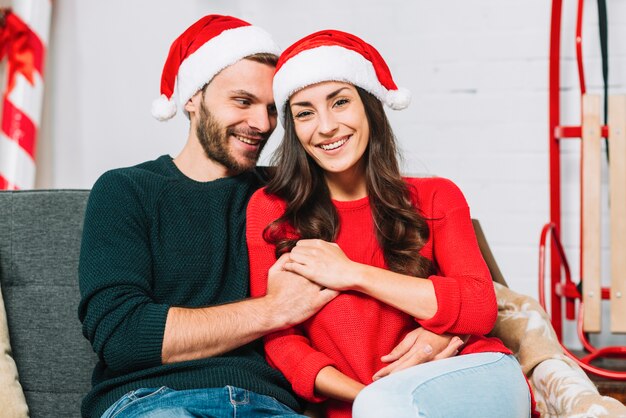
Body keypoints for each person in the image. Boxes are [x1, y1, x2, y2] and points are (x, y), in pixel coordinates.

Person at [77, 14, 460, 418]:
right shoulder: (126, 190)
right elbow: (121, 335)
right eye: (242, 101)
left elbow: (418, 257)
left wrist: (441, 331)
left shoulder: (291, 194)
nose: (262, 124)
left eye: (272, 109)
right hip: (153, 399)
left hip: (269, 404)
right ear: (192, 97)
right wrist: (273, 309)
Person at [246, 30, 536, 417]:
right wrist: (368, 396)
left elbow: (480, 307)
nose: (327, 126)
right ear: (294, 129)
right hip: (365, 404)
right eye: (305, 112)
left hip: (468, 373)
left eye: (341, 102)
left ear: (369, 107)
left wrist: (351, 273)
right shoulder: (272, 210)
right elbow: (281, 343)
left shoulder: (436, 196)